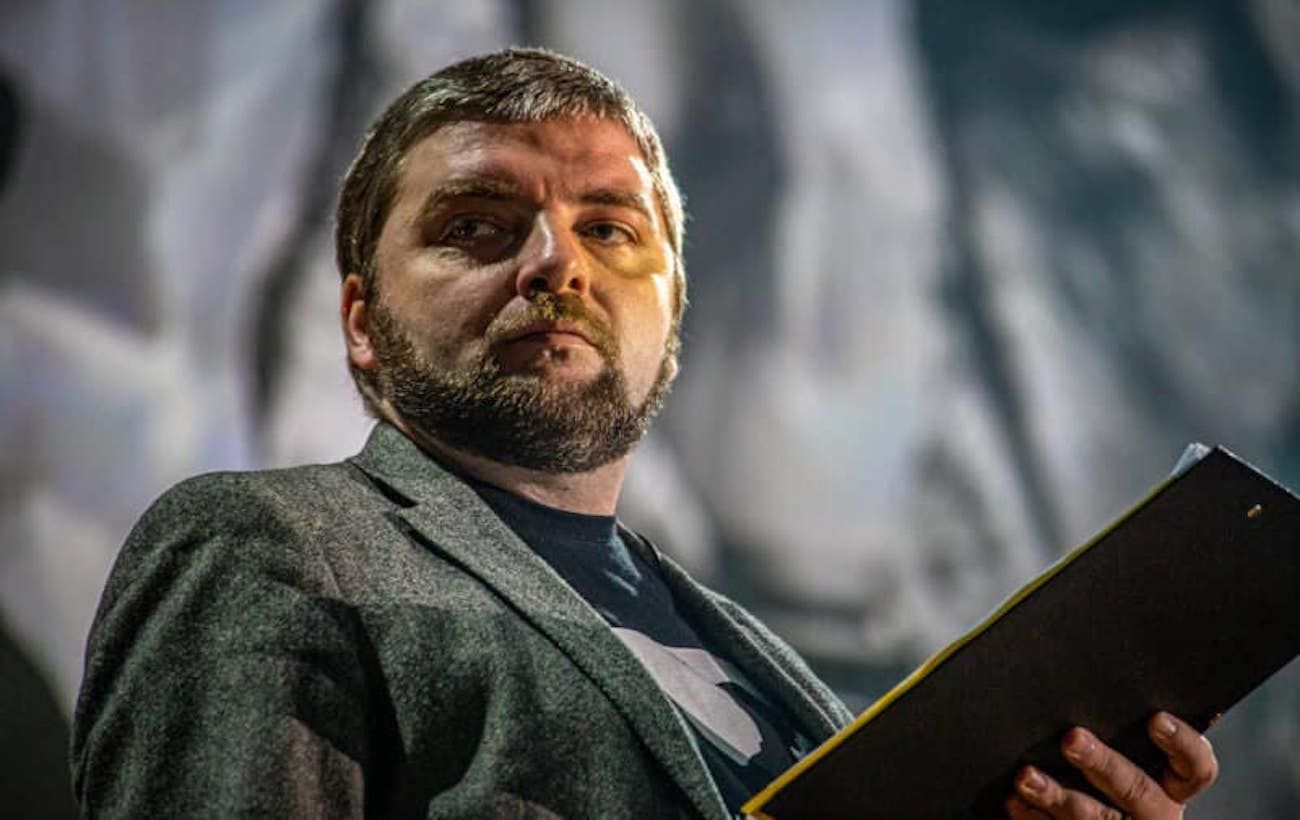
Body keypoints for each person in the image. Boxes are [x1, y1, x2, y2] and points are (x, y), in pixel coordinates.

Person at [71, 48, 1218, 819]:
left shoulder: (754, 655)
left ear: (670, 322)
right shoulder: (264, 542)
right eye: (476, 224)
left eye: (610, 229)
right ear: (362, 322)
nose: (555, 264)